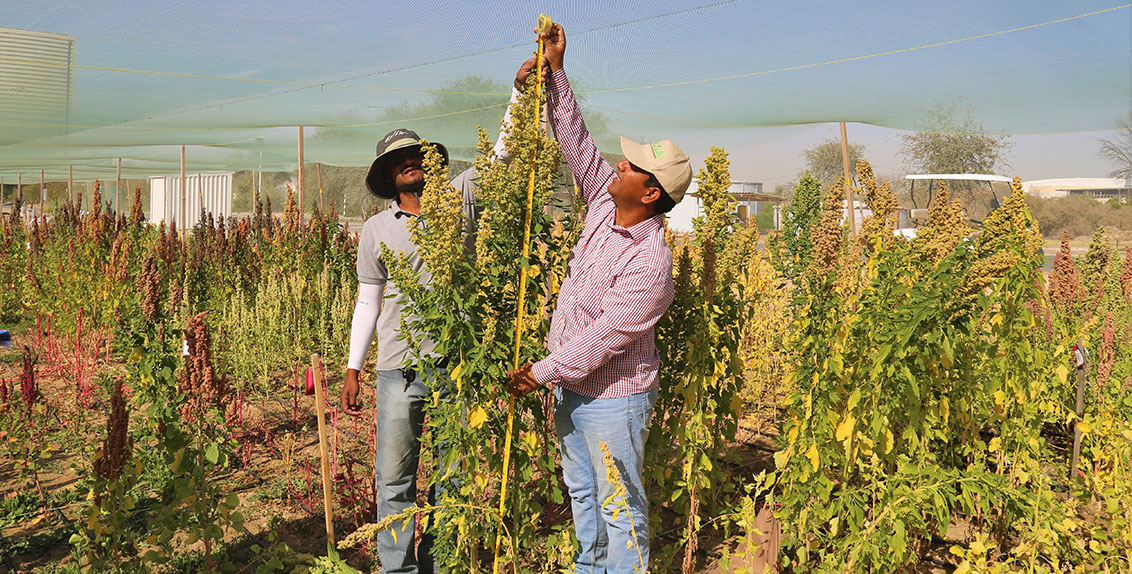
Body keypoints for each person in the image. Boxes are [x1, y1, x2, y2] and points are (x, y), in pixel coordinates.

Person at [506, 23, 692, 574]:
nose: (618, 165)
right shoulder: (600, 208)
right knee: (582, 496)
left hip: (614, 401)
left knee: (619, 507)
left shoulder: (650, 262)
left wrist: (542, 371)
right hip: (571, 391)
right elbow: (576, 143)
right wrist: (554, 73)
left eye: (632, 167)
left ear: (651, 192)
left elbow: (605, 337)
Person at [339, 81, 526, 571]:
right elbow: (368, 300)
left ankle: (439, 562)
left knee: (453, 473)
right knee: (394, 478)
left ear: (429, 161)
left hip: (457, 364)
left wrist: (518, 93)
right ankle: (396, 568)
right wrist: (354, 366)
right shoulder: (377, 229)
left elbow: (499, 157)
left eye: (416, 154)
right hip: (398, 368)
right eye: (397, 160)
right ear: (387, 175)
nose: (409, 163)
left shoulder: (458, 197)